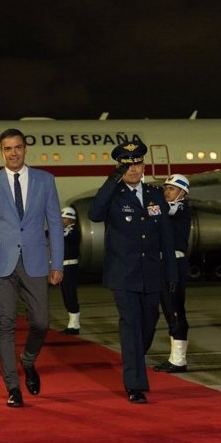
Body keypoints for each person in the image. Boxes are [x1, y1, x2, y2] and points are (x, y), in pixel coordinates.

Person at [0, 128, 64, 408]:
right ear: (1, 152)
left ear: (25, 149)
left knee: (41, 322)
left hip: (36, 261)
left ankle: (28, 359)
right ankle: (13, 387)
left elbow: (55, 223)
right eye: (8, 149)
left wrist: (57, 262)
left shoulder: (45, 180)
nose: (13, 153)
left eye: (18, 148)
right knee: (5, 325)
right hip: (0, 264)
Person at [88, 138, 176, 404]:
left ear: (143, 165)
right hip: (123, 274)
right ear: (119, 168)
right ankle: (134, 385)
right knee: (131, 326)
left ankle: (136, 358)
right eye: (127, 165)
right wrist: (113, 179)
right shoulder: (113, 196)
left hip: (151, 273)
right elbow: (94, 213)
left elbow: (166, 237)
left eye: (137, 163)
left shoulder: (154, 195)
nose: (133, 169)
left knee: (149, 324)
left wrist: (171, 273)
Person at [154, 174, 192, 373]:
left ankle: (179, 359)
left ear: (182, 193)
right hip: (163, 263)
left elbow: (166, 210)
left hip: (174, 264)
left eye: (172, 189)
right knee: (168, 308)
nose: (166, 192)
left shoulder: (182, 207)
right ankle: (175, 357)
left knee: (175, 308)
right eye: (165, 188)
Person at [59, 206, 81, 335]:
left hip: (70, 267)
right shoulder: (65, 230)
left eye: (64, 218)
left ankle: (74, 324)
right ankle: (72, 323)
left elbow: (66, 236)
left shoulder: (73, 231)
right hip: (63, 266)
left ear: (70, 219)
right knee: (66, 293)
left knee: (70, 294)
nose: (61, 220)